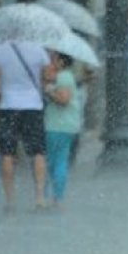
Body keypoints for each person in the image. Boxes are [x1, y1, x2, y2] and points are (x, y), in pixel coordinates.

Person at [0, 41, 55, 213]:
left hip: (8, 106)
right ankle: (39, 197)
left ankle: (10, 201)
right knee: (38, 152)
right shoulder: (38, 49)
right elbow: (50, 77)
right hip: (32, 106)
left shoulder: (0, 51)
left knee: (7, 153)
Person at [43, 52, 81, 210]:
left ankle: (51, 197)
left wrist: (49, 91)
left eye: (54, 59)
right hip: (65, 126)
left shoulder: (64, 77)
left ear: (61, 61)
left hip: (57, 126)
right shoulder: (65, 76)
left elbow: (63, 100)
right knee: (59, 160)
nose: (52, 62)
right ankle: (55, 196)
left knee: (54, 162)